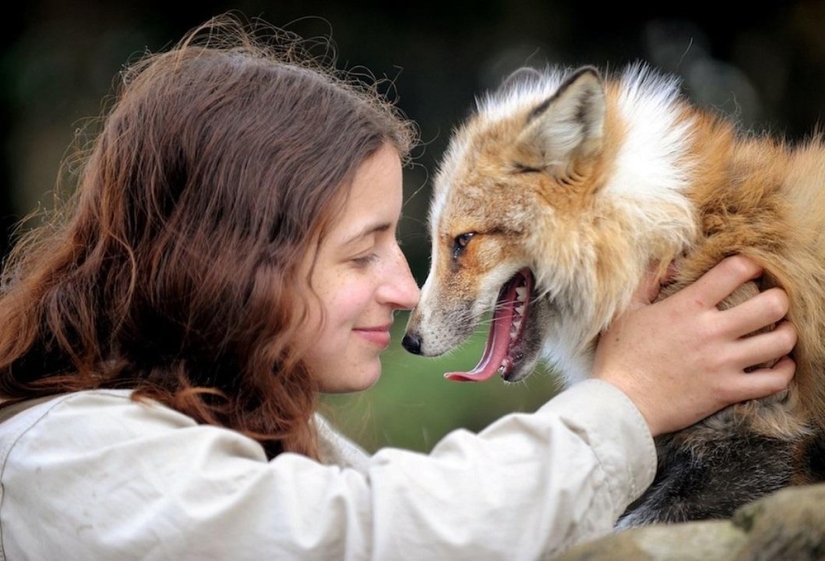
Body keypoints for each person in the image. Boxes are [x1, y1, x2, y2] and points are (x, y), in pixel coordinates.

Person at [0, 14, 796, 560]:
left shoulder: (253, 435)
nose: (405, 288)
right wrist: (625, 403)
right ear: (232, 262)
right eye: (361, 254)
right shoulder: (64, 457)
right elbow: (370, 536)